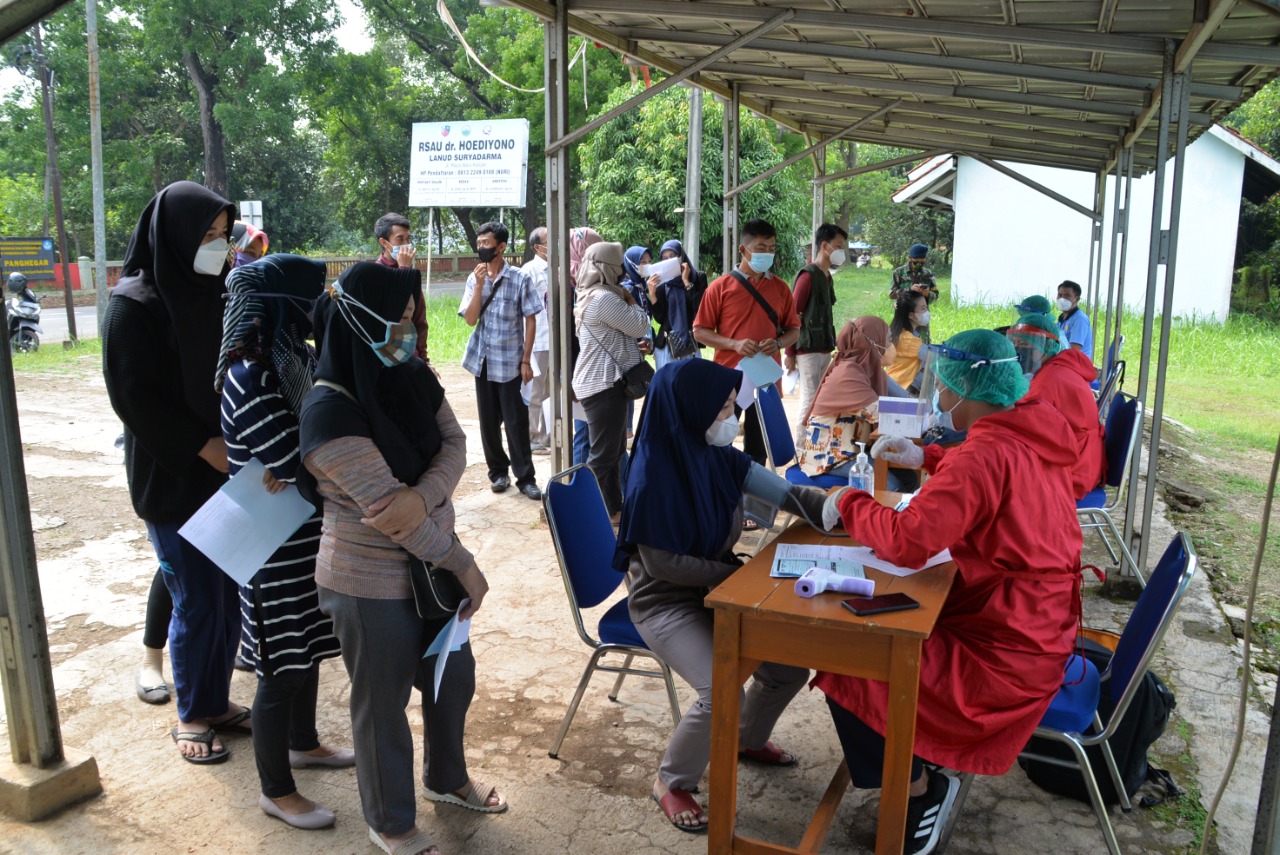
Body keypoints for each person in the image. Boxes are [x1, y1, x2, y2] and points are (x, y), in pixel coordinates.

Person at [816, 329, 1082, 855]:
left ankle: (918, 789)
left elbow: (908, 541)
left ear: (968, 389)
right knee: (895, 629)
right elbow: (997, 480)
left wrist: (849, 502)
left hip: (1007, 650)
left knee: (849, 659)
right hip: (1040, 624)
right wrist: (932, 459)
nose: (939, 397)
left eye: (946, 386)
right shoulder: (1036, 430)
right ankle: (916, 764)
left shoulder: (981, 457)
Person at [301, 262, 502, 855]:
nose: (412, 330)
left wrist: (422, 496)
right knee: (382, 703)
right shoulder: (327, 413)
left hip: (432, 571)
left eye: (414, 317)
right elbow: (388, 517)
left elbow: (456, 444)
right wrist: (460, 561)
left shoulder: (412, 374)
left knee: (451, 681)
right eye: (403, 318)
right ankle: (390, 822)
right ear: (361, 321)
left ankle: (447, 779)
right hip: (370, 581)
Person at [617, 358, 827, 834]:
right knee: (720, 687)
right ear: (692, 411)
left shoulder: (717, 457)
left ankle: (747, 740)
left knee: (786, 668)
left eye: (733, 406)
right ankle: (671, 782)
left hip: (716, 588)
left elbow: (789, 495)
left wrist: (838, 509)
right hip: (664, 601)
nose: (732, 419)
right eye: (724, 409)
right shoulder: (651, 476)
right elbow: (664, 565)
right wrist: (735, 576)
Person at [102, 181, 251, 763]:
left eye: (223, 236)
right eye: (207, 236)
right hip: (173, 475)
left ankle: (215, 700)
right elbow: (134, 399)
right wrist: (200, 446)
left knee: (230, 594)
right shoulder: (134, 304)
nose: (217, 247)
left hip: (227, 469)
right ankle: (192, 712)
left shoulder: (218, 292)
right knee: (194, 599)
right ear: (174, 235)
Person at [214, 254, 352, 829]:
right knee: (280, 665)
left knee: (311, 646)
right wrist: (308, 458)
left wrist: (308, 457)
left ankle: (304, 741)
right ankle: (275, 788)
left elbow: (322, 440)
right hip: (270, 547)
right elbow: (301, 458)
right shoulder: (249, 377)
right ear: (278, 307)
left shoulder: (292, 361)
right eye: (308, 299)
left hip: (304, 533)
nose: (316, 309)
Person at [692, 218, 801, 465]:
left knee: (759, 448)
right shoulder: (720, 287)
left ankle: (754, 499)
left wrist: (779, 343)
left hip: (765, 379)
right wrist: (734, 344)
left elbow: (795, 329)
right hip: (728, 378)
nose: (768, 254)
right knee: (720, 441)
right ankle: (719, 493)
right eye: (761, 248)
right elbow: (699, 331)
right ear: (744, 249)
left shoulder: (782, 288)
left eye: (772, 248)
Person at [459, 221, 543, 501]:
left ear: (501, 247)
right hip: (482, 360)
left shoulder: (520, 278)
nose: (481, 247)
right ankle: (498, 473)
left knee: (516, 422)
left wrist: (526, 360)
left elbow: (530, 319)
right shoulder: (474, 278)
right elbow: (470, 320)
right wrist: (480, 284)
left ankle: (526, 478)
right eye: (479, 243)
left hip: (510, 362)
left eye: (486, 243)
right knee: (488, 423)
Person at [572, 242, 651, 518]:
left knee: (614, 450)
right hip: (604, 385)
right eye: (618, 268)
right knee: (603, 456)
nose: (623, 275)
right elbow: (641, 325)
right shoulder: (605, 298)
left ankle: (613, 510)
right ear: (608, 268)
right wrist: (635, 300)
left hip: (601, 383)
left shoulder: (589, 294)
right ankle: (581, 511)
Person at [1008, 312, 1106, 500]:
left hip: (1073, 471)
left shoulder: (1049, 381)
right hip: (1082, 460)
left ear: (1048, 346)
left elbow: (1024, 424)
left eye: (1027, 345)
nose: (1018, 351)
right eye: (1015, 343)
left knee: (1003, 486)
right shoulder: (1056, 367)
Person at [796, 317, 891, 477]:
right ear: (873, 343)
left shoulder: (864, 368)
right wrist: (918, 414)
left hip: (853, 452)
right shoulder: (847, 374)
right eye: (887, 340)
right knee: (891, 484)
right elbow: (882, 413)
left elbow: (900, 400)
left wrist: (918, 409)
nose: (890, 346)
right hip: (831, 459)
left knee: (906, 475)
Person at [785, 223, 847, 446]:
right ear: (824, 245)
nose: (841, 251)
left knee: (820, 398)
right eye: (838, 246)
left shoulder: (827, 277)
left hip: (824, 347)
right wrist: (790, 352)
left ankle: (816, 444)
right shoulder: (807, 277)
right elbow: (793, 316)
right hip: (807, 349)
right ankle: (801, 447)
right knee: (809, 398)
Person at [569, 227, 604, 466]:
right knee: (583, 432)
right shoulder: (568, 284)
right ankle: (579, 486)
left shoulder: (593, 280)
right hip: (580, 368)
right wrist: (572, 378)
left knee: (599, 432)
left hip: (597, 368)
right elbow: (567, 336)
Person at [374, 212, 429, 362]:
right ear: (384, 243)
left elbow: (419, 320)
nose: (406, 244)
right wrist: (403, 270)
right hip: (388, 357)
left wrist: (424, 360)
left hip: (412, 357)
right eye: (400, 239)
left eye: (408, 239)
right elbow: (392, 315)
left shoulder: (411, 273)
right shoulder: (374, 274)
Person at [648, 239, 707, 371]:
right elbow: (660, 318)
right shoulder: (662, 283)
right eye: (665, 258)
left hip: (691, 343)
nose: (669, 261)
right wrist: (652, 295)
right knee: (668, 387)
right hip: (667, 344)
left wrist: (686, 281)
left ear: (681, 256)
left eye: (673, 256)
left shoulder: (697, 278)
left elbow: (699, 308)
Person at [523, 226, 552, 453]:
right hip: (539, 339)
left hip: (557, 340)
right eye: (548, 241)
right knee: (535, 391)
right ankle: (531, 438)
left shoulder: (559, 268)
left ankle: (548, 437)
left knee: (553, 392)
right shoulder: (529, 271)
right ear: (537, 247)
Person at [886, 291, 930, 392]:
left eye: (926, 307)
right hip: (901, 388)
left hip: (893, 382)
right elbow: (932, 357)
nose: (927, 311)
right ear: (911, 315)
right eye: (923, 309)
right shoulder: (908, 340)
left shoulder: (900, 332)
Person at [1057, 279, 1094, 357]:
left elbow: (1074, 351)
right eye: (1060, 295)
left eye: (1067, 296)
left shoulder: (1079, 319)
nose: (1062, 299)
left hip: (1076, 364)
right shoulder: (1062, 318)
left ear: (1077, 299)